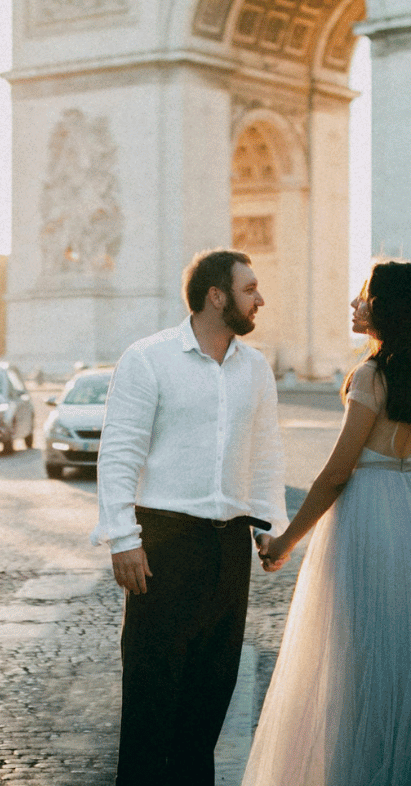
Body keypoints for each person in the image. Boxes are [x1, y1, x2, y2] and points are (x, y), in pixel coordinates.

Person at [242, 259, 411, 786]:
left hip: (365, 519)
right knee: (404, 678)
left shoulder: (371, 376)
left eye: (364, 294)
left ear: (386, 308)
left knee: (350, 671)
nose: (354, 302)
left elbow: (338, 472)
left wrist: (285, 542)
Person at [92, 247, 289, 786]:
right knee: (149, 714)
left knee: (204, 718)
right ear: (216, 296)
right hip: (163, 547)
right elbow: (120, 452)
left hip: (230, 553)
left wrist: (274, 527)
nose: (260, 299)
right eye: (250, 290)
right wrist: (122, 539)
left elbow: (266, 452)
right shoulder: (147, 358)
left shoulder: (256, 368)